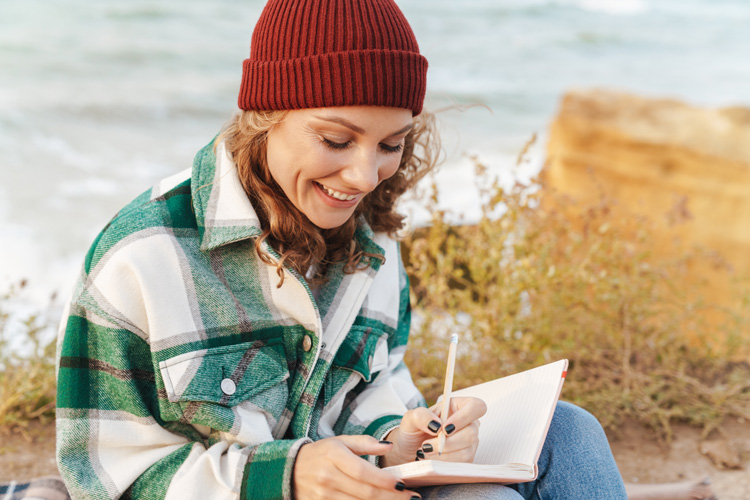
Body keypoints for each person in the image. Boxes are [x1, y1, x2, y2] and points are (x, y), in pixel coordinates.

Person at [55, 1, 631, 499]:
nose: (363, 177)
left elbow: (374, 386)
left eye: (390, 145)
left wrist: (399, 439)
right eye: (336, 140)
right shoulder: (143, 255)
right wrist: (287, 476)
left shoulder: (372, 237)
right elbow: (106, 479)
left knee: (568, 430)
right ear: (266, 116)